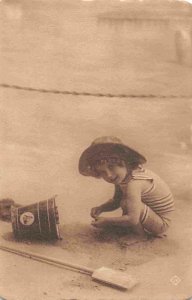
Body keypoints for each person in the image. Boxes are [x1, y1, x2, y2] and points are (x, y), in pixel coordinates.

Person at [78, 136, 175, 236]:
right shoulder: (123, 178)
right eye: (102, 172)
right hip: (149, 215)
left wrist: (107, 221)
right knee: (125, 201)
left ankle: (139, 236)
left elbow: (132, 219)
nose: (109, 175)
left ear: (124, 162)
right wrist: (102, 208)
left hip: (161, 224)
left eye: (112, 167)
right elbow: (116, 201)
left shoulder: (135, 183)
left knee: (126, 203)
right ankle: (132, 230)